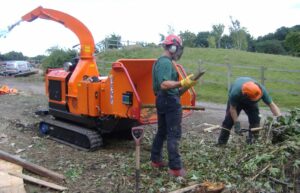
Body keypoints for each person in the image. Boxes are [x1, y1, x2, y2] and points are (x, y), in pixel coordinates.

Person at [150, 34, 197, 177]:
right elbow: (164, 85)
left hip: (164, 100)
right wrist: (181, 83)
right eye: (178, 48)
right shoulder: (165, 62)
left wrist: (186, 86)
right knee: (173, 133)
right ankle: (175, 168)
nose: (178, 52)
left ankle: (155, 159)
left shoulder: (164, 62)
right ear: (173, 47)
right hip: (169, 102)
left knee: (163, 131)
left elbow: (172, 89)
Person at [217, 76, 281, 145]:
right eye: (254, 99)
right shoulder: (235, 93)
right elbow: (232, 109)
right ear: (245, 95)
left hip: (251, 103)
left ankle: (252, 144)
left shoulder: (261, 90)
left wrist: (279, 119)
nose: (256, 100)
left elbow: (272, 105)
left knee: (255, 121)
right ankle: (221, 143)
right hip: (237, 102)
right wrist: (237, 124)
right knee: (228, 121)